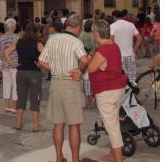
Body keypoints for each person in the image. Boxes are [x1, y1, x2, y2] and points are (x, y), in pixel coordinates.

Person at [37, 14, 89, 162]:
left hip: (55, 83)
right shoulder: (75, 41)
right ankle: (75, 159)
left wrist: (54, 68)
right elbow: (84, 60)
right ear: (77, 27)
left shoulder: (52, 40)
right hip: (70, 84)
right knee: (74, 125)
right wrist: (79, 70)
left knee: (57, 124)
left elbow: (41, 61)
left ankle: (59, 157)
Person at [88, 20, 128, 162]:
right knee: (113, 122)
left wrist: (89, 59)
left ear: (97, 33)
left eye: (94, 33)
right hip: (118, 88)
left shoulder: (102, 50)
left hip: (107, 91)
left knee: (112, 128)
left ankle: (118, 158)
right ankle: (112, 155)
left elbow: (91, 68)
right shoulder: (114, 45)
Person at [5, 23, 44, 131]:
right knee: (34, 98)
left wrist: (12, 64)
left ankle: (18, 124)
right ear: (36, 32)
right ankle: (36, 125)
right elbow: (48, 54)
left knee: (21, 98)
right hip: (34, 74)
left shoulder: (19, 41)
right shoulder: (37, 43)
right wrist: (41, 64)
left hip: (21, 72)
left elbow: (6, 52)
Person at [110, 10, 142, 83]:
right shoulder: (130, 24)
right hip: (130, 55)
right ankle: (133, 93)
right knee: (132, 78)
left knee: (121, 78)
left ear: (114, 17)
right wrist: (134, 50)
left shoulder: (112, 26)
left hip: (118, 56)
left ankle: (125, 93)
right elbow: (139, 38)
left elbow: (111, 42)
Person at [0, 18, 19, 113]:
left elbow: (0, 51)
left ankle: (7, 105)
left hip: (4, 63)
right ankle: (13, 106)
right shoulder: (15, 37)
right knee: (15, 85)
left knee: (6, 84)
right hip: (14, 63)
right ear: (13, 27)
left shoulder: (1, 37)